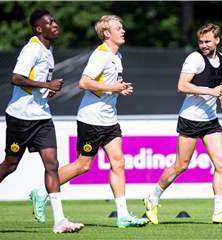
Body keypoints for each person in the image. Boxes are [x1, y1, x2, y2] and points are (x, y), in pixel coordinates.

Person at [0, 10, 84, 234]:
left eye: (55, 21)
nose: (55, 25)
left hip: (42, 117)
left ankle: (59, 220)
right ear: (39, 29)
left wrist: (47, 92)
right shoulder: (32, 49)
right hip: (20, 117)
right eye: (49, 23)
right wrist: (46, 85)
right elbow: (16, 78)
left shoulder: (50, 50)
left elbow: (37, 85)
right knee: (10, 164)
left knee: (52, 165)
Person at [29, 15, 149, 228]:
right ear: (106, 33)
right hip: (91, 120)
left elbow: (104, 85)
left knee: (118, 162)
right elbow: (84, 83)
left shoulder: (116, 55)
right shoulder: (101, 54)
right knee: (83, 166)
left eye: (122, 27)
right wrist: (114, 88)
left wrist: (120, 89)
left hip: (109, 120)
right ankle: (41, 192)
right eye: (118, 28)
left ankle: (122, 215)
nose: (123, 31)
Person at [143, 23, 222, 224]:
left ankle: (219, 212)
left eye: (207, 41)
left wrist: (221, 96)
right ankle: (152, 198)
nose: (204, 45)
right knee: (181, 165)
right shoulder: (194, 59)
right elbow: (182, 86)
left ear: (217, 40)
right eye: (201, 41)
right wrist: (211, 92)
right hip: (190, 119)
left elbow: (215, 86)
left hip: (211, 120)